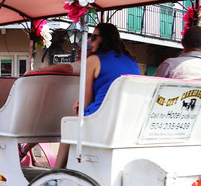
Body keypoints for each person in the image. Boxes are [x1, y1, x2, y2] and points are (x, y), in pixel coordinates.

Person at [55, 23, 140, 168]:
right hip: (128, 119)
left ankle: (55, 174)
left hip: (102, 118)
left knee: (68, 124)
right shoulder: (131, 60)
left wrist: (79, 105)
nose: (89, 41)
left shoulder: (93, 60)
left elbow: (85, 102)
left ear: (105, 39)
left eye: (93, 37)